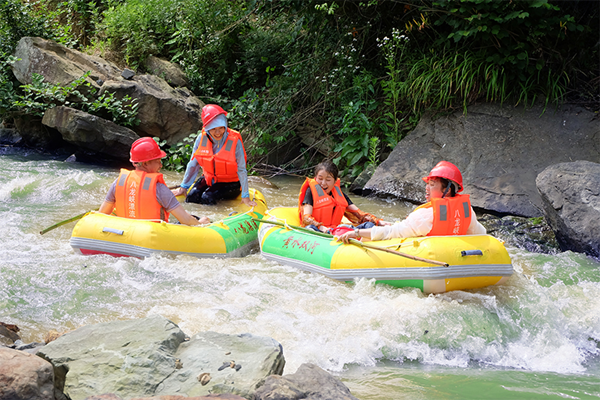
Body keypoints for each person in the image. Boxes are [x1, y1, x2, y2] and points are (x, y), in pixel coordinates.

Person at [337, 161, 486, 243]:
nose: (426, 189)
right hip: (452, 257)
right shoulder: (467, 211)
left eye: (432, 185)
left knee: (365, 227)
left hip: (432, 259)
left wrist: (356, 232)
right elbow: (481, 234)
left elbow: (391, 233)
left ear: (446, 190)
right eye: (427, 184)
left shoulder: (426, 215)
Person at [99, 137, 210, 226]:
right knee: (195, 219)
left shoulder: (119, 181)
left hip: (125, 232)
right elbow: (185, 219)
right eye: (158, 161)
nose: (161, 165)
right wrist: (200, 223)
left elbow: (102, 214)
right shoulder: (159, 189)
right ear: (146, 163)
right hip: (153, 237)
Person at [171, 104, 256, 207]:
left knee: (207, 197)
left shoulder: (234, 141)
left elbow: (241, 169)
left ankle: (211, 221)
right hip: (209, 179)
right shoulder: (201, 138)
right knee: (192, 196)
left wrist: (245, 196)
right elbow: (193, 164)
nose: (218, 132)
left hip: (231, 183)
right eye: (213, 129)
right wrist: (183, 187)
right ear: (207, 129)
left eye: (221, 128)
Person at [299, 160, 390, 234]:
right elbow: (306, 218)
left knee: (369, 225)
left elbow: (359, 214)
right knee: (310, 227)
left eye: (328, 180)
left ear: (335, 181)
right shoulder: (310, 191)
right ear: (315, 178)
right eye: (320, 179)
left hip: (336, 231)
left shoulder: (339, 194)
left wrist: (377, 222)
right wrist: (321, 227)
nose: (323, 183)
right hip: (319, 230)